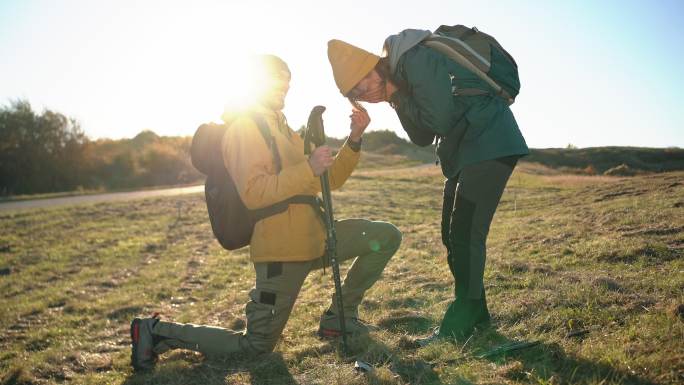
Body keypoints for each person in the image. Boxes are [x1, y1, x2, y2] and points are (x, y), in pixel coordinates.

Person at [130, 54, 402, 371]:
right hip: (281, 252)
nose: (283, 89)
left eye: (286, 83)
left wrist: (354, 140)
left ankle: (338, 319)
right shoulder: (244, 128)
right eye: (276, 81)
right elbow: (255, 192)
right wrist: (308, 168)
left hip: (316, 237)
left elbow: (329, 180)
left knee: (384, 237)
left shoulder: (284, 129)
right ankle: (156, 332)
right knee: (255, 346)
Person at [327, 31, 529, 341]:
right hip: (466, 151)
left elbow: (439, 121)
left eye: (363, 80)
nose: (364, 92)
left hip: (489, 142)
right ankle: (479, 322)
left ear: (375, 65)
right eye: (355, 91)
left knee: (465, 235)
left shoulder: (413, 59)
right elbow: (421, 137)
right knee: (452, 237)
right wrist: (396, 96)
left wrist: (399, 94)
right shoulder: (400, 86)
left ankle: (458, 327)